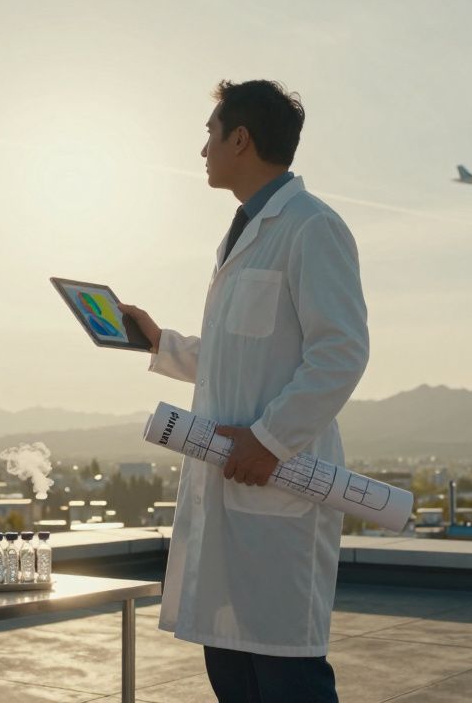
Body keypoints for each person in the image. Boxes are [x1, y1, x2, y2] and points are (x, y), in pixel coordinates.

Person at [119, 80, 370, 703]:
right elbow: (237, 354)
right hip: (228, 486)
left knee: (287, 678)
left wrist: (269, 440)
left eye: (210, 133)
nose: (202, 148)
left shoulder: (312, 228)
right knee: (233, 676)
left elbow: (341, 352)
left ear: (240, 138)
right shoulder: (241, 234)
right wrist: (160, 343)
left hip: (276, 484)